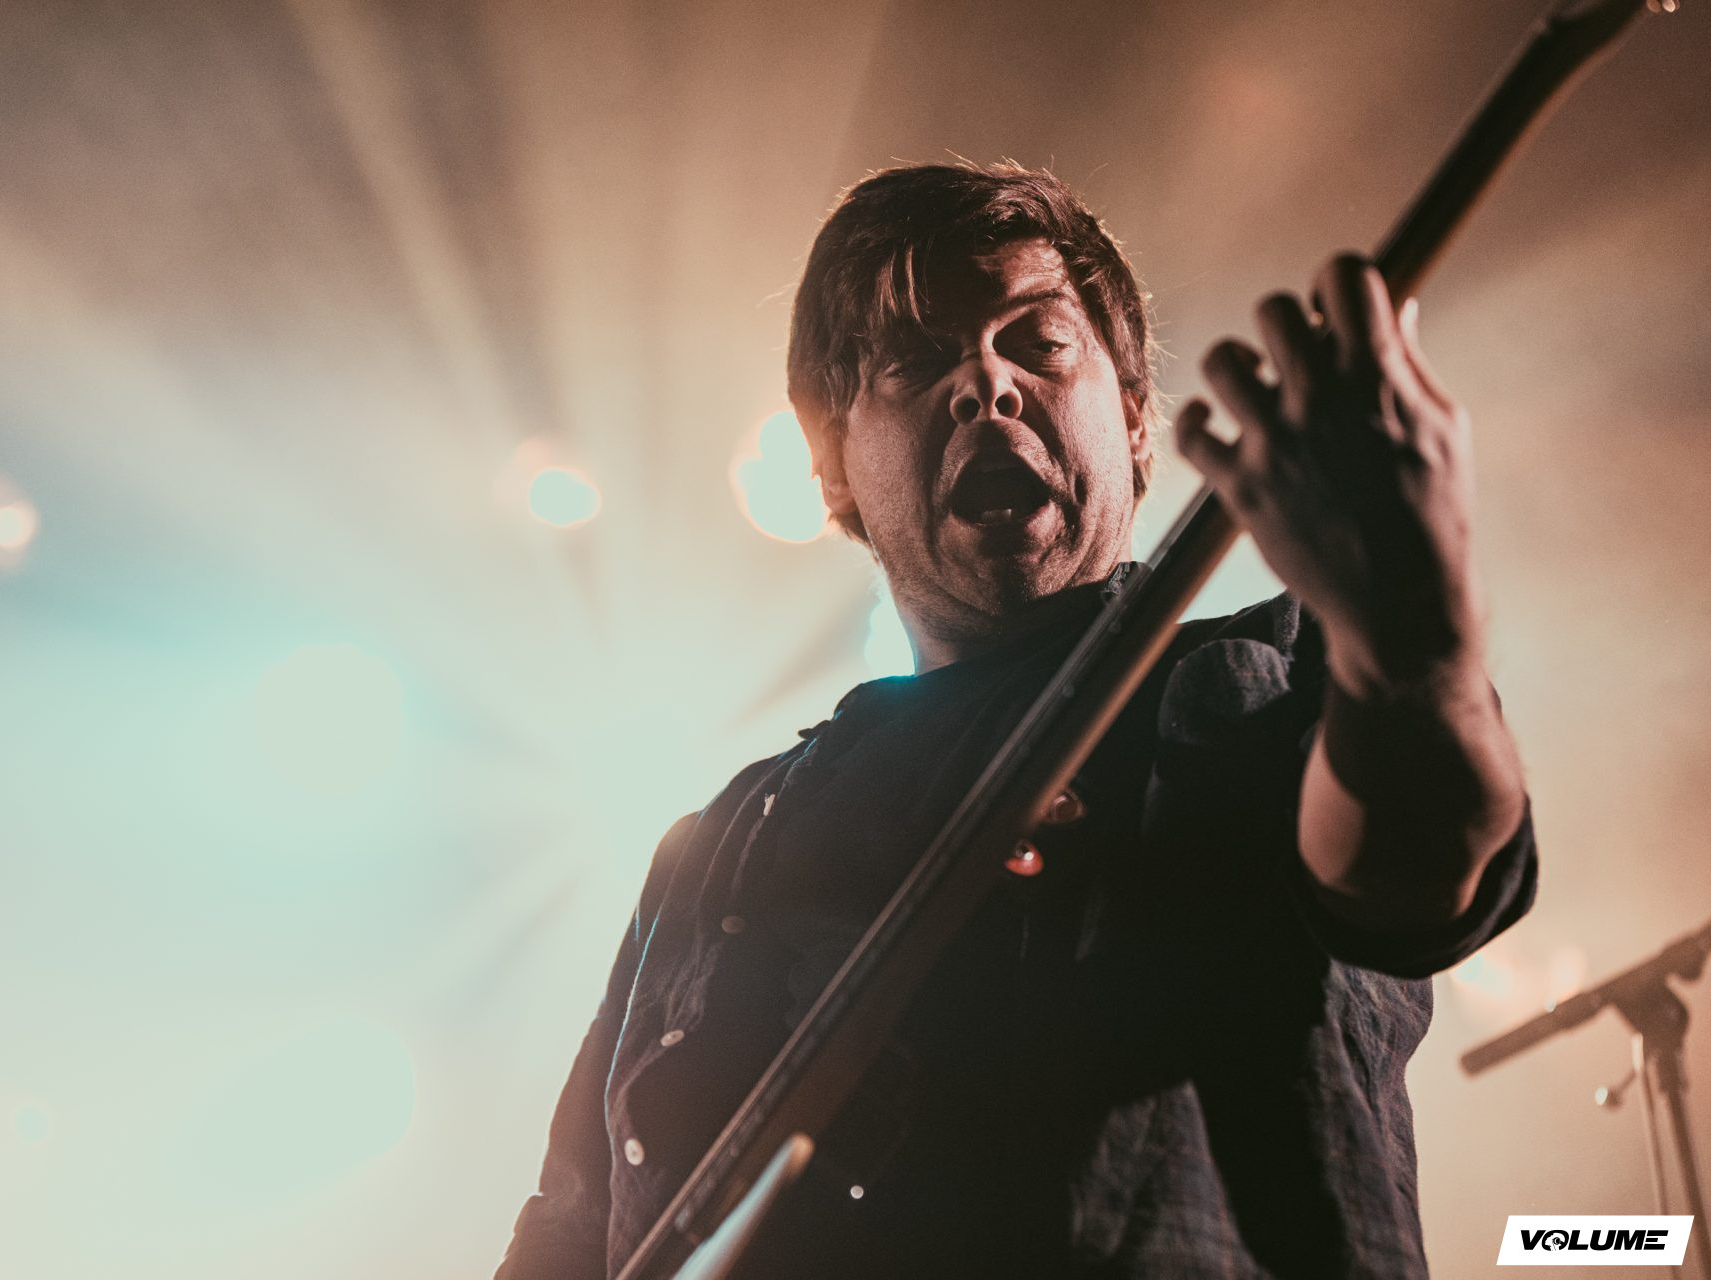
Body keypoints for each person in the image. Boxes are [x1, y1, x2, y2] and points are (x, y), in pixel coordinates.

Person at [495, 162, 1535, 1278]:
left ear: (1133, 418)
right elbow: (568, 1228)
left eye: (1039, 344)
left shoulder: (1260, 677)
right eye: (914, 361)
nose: (984, 384)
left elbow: (1413, 860)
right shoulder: (713, 843)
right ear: (831, 463)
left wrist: (1410, 645)